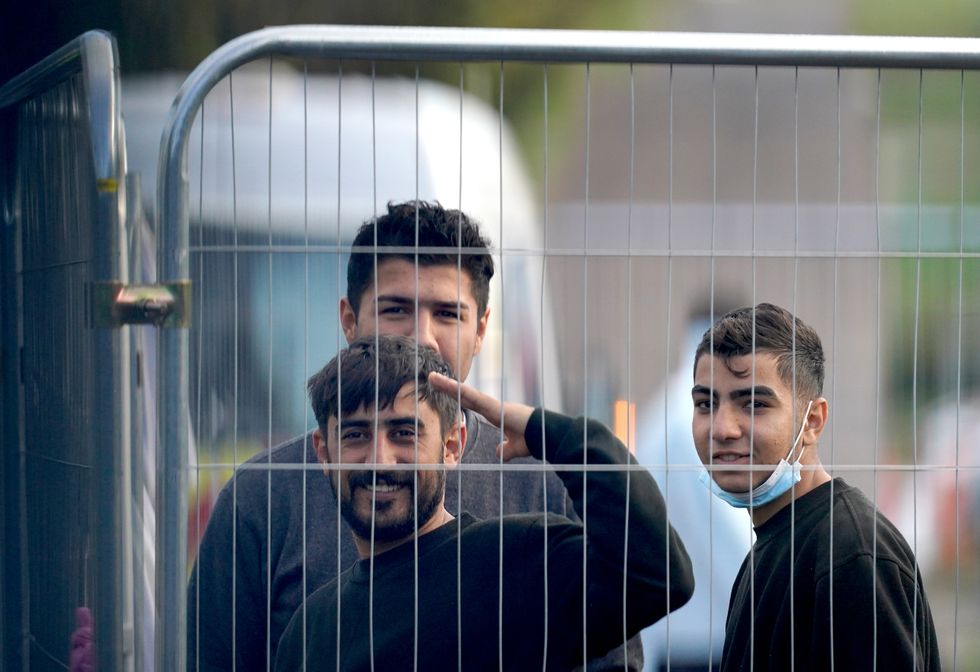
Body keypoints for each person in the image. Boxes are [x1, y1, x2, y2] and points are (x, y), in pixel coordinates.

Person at [188, 201, 637, 671]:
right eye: (396, 309)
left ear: (481, 330)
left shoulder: (542, 488)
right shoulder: (263, 497)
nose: (423, 337)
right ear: (348, 320)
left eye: (447, 314)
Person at [275, 335, 695, 671]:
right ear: (324, 453)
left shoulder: (519, 563)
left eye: (404, 433)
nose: (379, 459)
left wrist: (547, 432)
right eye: (355, 436)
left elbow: (655, 576)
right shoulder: (308, 632)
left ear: (452, 446)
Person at [691, 302, 941, 671]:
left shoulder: (852, 555)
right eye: (705, 403)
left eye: (754, 404)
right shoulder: (771, 546)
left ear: (813, 420)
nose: (723, 428)